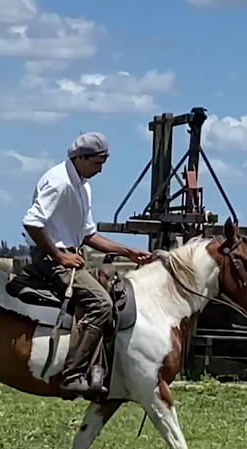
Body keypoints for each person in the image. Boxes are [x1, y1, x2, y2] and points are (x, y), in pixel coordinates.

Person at [22, 131, 155, 395]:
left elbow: (88, 235)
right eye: (97, 163)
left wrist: (127, 251)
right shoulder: (60, 182)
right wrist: (60, 256)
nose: (100, 170)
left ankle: (100, 367)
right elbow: (32, 223)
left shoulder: (83, 186)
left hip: (69, 256)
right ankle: (72, 375)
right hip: (51, 258)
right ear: (80, 157)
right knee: (102, 303)